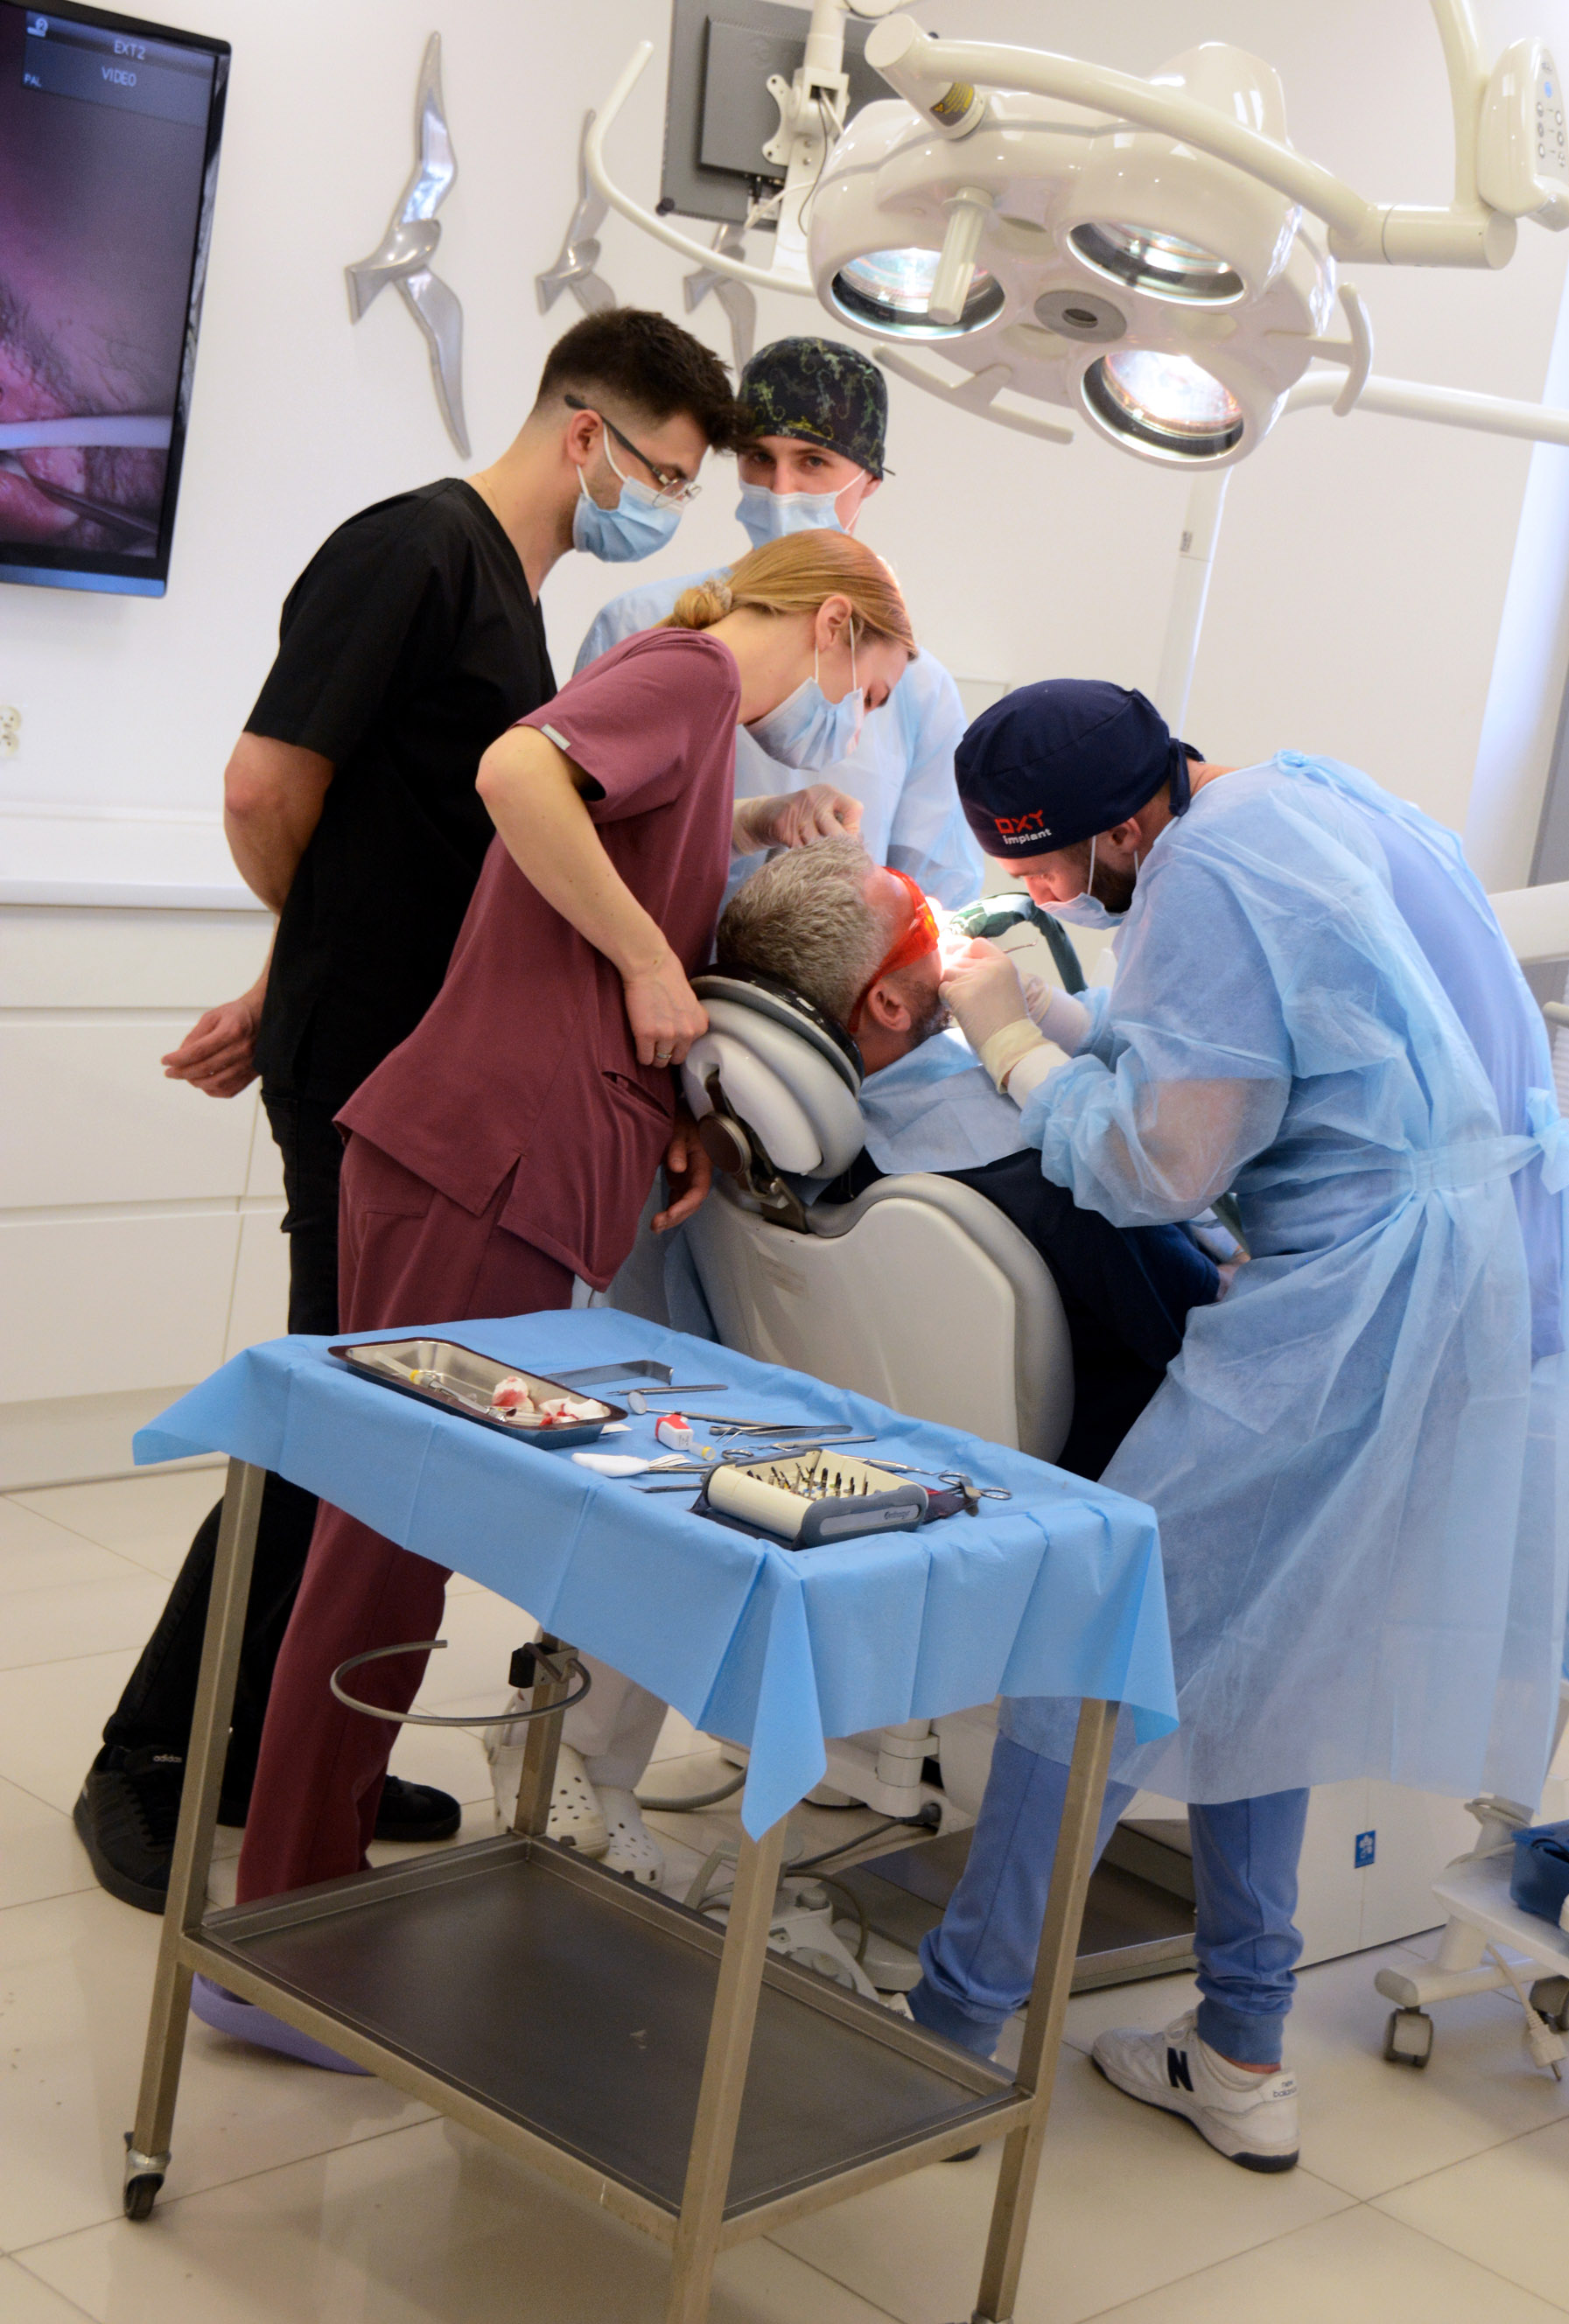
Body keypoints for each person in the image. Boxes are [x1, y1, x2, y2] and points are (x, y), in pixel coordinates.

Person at [205, 533, 915, 2068]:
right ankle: (281, 1945)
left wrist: (663, 1094)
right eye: (872, 688)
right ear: (838, 625)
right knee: (383, 1552)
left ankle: (296, 1909)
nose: (859, 722)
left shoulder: (697, 722)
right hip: (482, 1163)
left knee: (398, 1545)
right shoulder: (694, 674)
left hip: (500, 1157)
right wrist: (654, 966)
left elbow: (598, 873)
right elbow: (517, 774)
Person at [74, 307, 746, 1914]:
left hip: (406, 1060)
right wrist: (311, 964)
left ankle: (276, 1748)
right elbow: (267, 789)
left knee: (370, 1435)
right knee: (330, 1424)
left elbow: (408, 843)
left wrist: (287, 979)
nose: (663, 508)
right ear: (586, 435)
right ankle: (148, 1760)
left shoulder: (509, 602)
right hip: (374, 1075)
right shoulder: (417, 552)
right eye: (664, 474)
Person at [900, 681, 1569, 2175]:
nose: (1048, 897)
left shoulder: (1201, 869)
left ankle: (947, 2038)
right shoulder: (1308, 796)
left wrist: (1014, 1053)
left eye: (1050, 868)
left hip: (1357, 1309)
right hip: (1495, 1278)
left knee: (1094, 1647)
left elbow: (1162, 1163)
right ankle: (1241, 2054)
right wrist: (1079, 1019)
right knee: (1260, 1653)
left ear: (1125, 824)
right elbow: (1278, 1036)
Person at [712, 836, 1221, 1476]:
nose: (946, 920)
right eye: (922, 922)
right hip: (1114, 1470)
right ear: (889, 1005)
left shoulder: (777, 1147)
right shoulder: (1046, 1170)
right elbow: (1197, 1318)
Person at [573, 336, 984, 908]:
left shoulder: (912, 685)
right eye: (759, 459)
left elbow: (934, 897)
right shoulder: (638, 624)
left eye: (813, 462)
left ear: (868, 482)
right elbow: (571, 829)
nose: (781, 490)